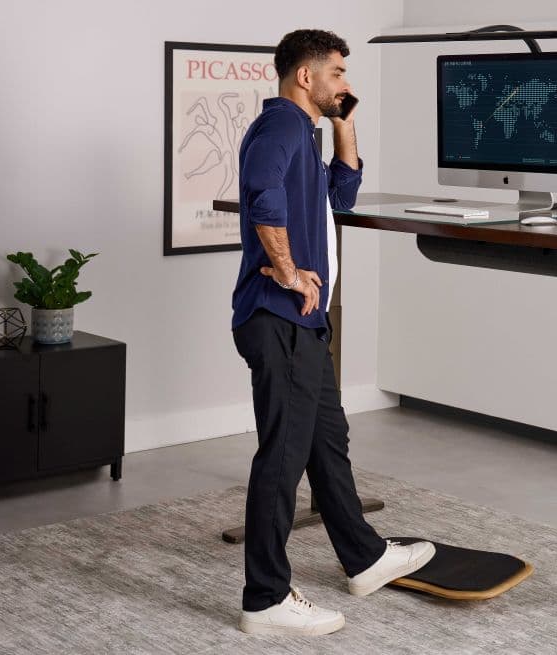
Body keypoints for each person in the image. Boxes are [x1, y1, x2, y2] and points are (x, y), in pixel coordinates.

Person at [230, 29, 435, 637]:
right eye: (339, 74)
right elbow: (260, 193)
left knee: (327, 440)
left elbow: (342, 195)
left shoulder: (308, 130)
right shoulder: (280, 129)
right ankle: (264, 598)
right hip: (280, 318)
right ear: (305, 77)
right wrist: (289, 271)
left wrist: (344, 120)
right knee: (283, 457)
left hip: (304, 323)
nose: (347, 84)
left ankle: (364, 557)